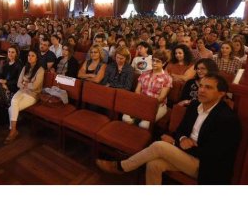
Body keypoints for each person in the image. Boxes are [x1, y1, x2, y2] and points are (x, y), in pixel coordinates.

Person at [96, 73, 241, 185]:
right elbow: (181, 130)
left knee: (159, 145)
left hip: (205, 166)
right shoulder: (194, 106)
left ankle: (121, 167)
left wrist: (174, 144)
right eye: (201, 86)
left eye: (208, 87)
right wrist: (183, 139)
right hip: (186, 154)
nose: (201, 90)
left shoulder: (227, 119)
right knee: (154, 164)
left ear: (221, 94)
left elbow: (213, 154)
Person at [123, 50, 172, 129]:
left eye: (158, 61)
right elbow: (137, 90)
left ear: (164, 63)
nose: (154, 63)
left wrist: (147, 105)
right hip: (141, 101)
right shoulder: (145, 73)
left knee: (144, 125)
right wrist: (141, 103)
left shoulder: (167, 78)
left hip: (157, 105)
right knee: (125, 118)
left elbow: (161, 98)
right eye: (153, 60)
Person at [5, 49, 45, 144]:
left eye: (32, 56)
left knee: (11, 108)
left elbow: (35, 86)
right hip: (21, 91)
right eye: (29, 55)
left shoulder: (40, 70)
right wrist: (27, 84)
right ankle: (13, 130)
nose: (30, 57)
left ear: (37, 58)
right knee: (14, 103)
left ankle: (12, 130)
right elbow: (19, 83)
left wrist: (25, 83)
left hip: (33, 95)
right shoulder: (25, 67)